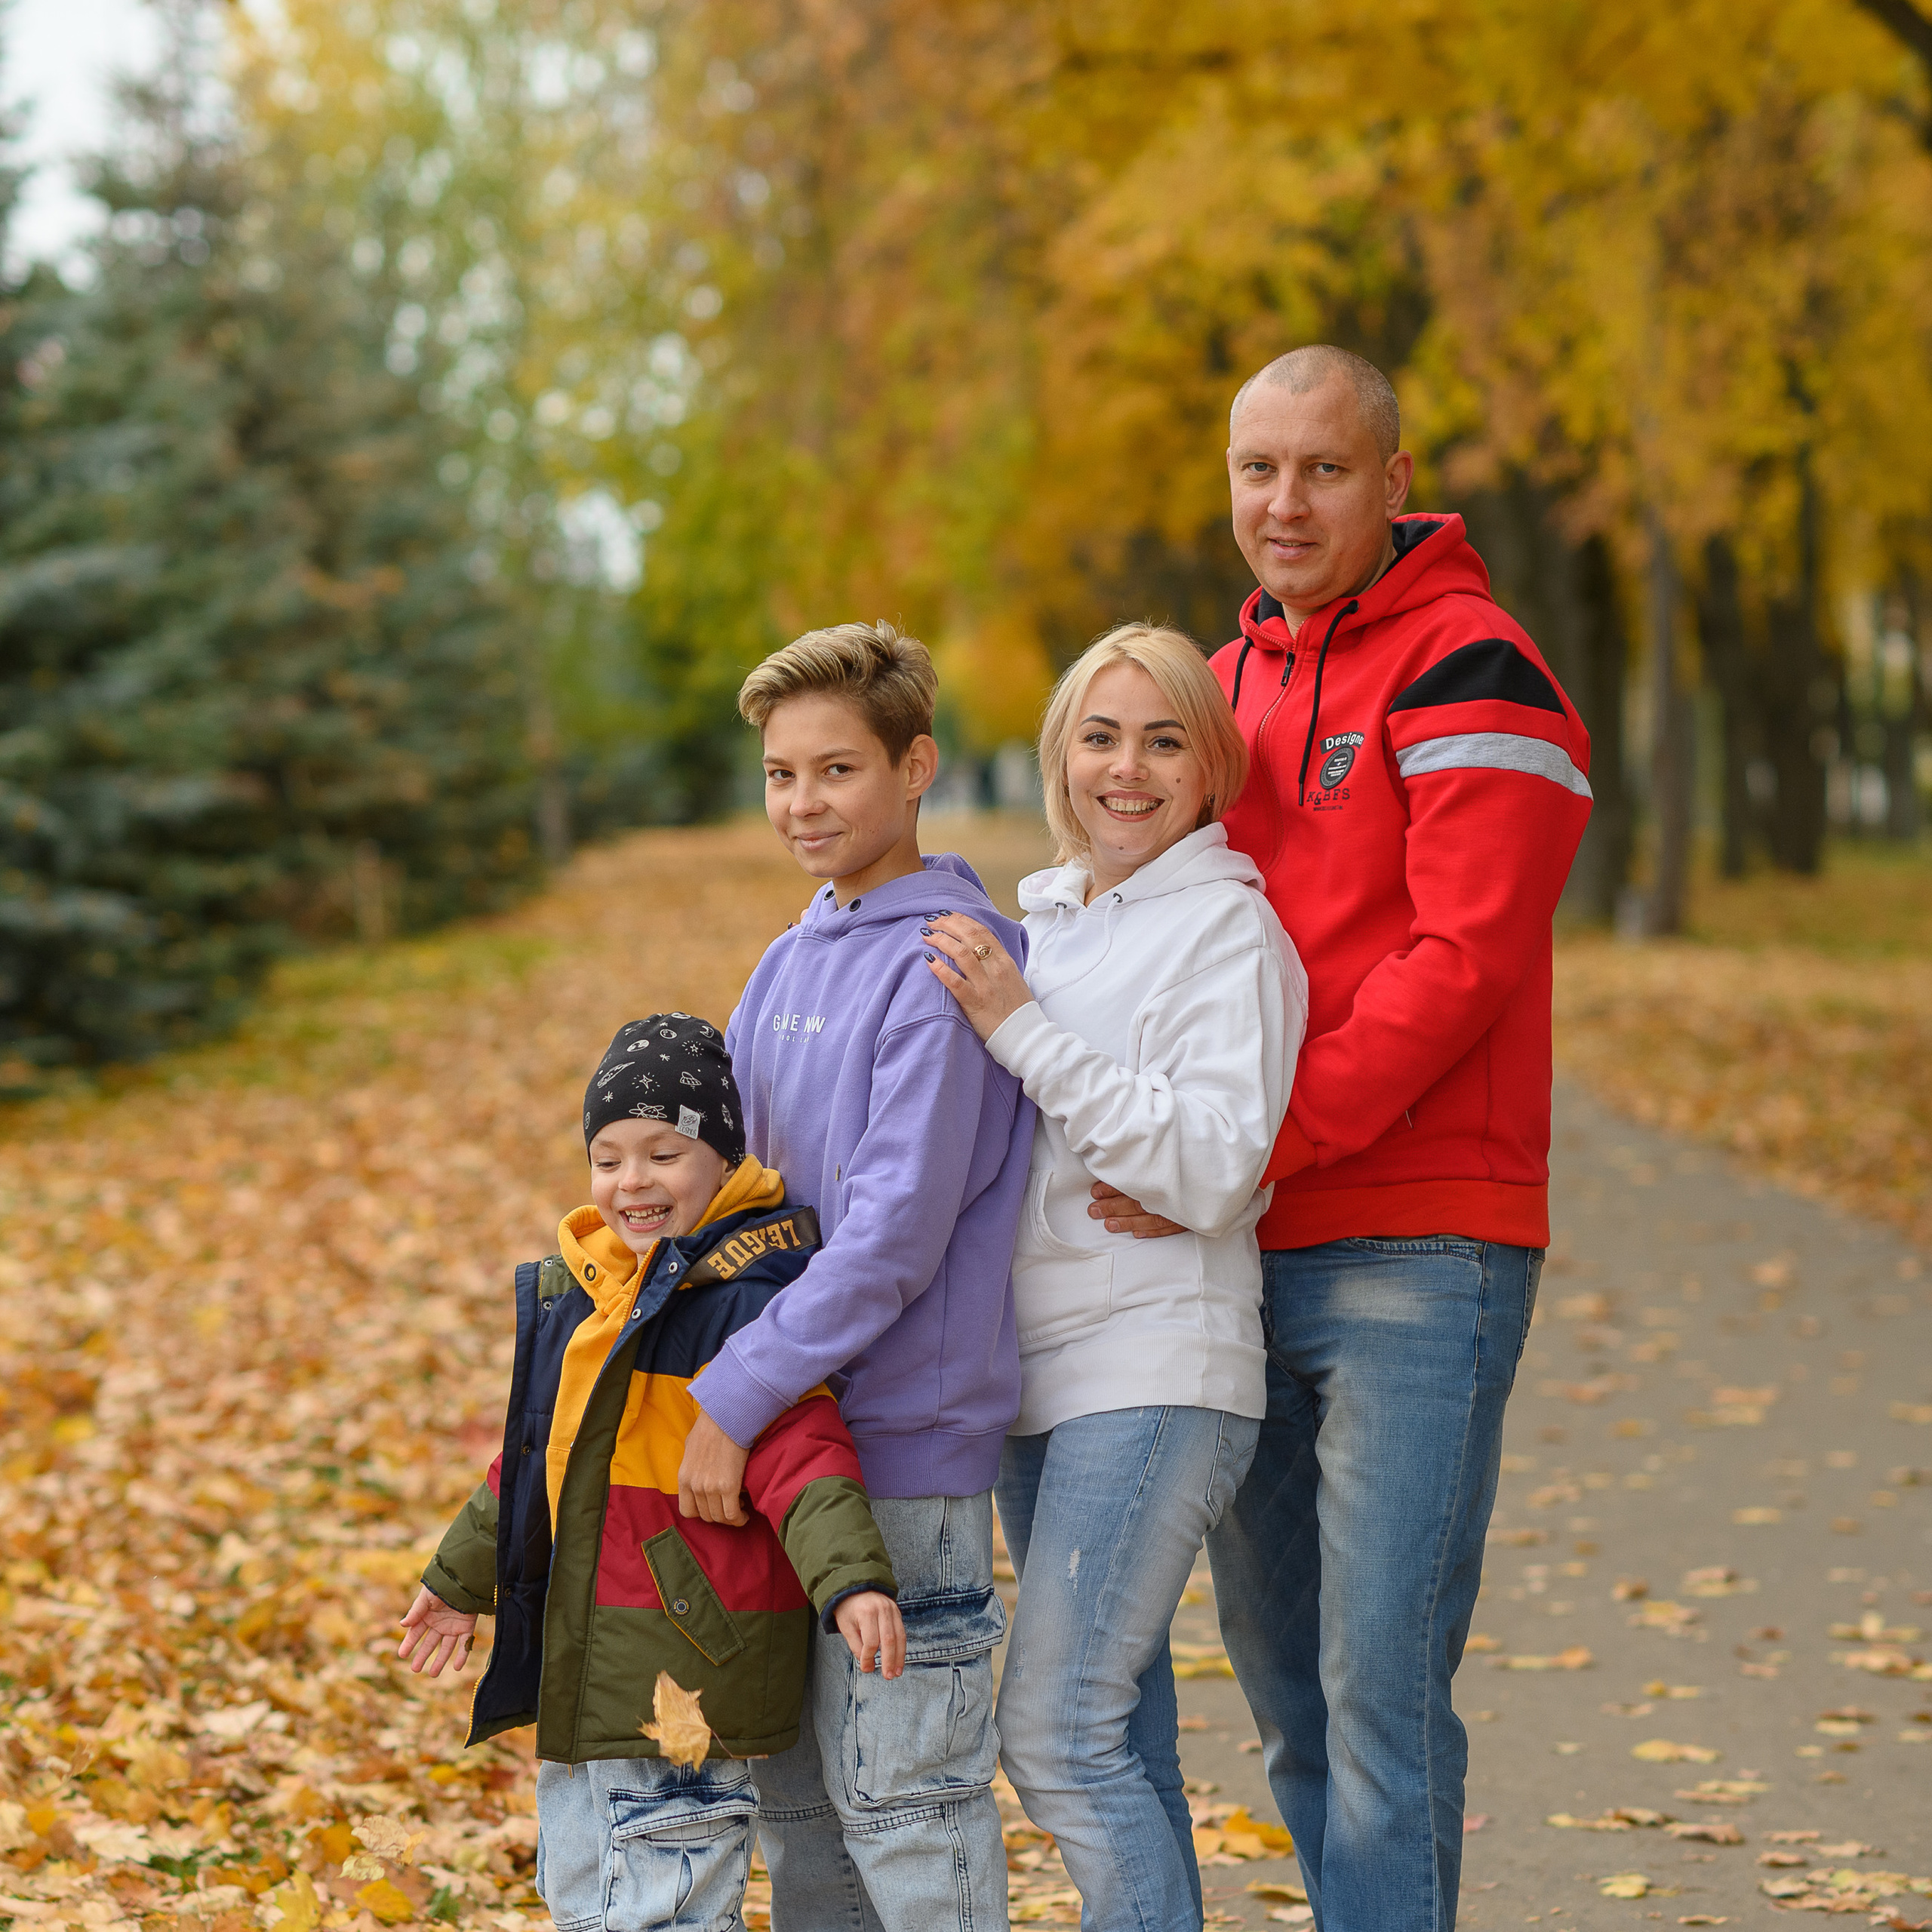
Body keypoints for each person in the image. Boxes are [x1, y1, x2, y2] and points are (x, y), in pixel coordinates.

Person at [1092, 347, 1594, 1932]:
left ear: (1392, 481)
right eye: (1255, 468)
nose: (1282, 502)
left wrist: (1253, 1141)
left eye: (1320, 469)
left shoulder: (1475, 672)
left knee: (1379, 1699)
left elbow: (1458, 966)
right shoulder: (1219, 686)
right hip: (1241, 1254)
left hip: (1418, 1244)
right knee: (1293, 1700)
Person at [924, 622, 1306, 1932]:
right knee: (1122, 1741)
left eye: (1163, 741)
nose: (1126, 769)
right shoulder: (1058, 926)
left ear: (1211, 767)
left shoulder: (1226, 931)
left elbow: (1208, 1167)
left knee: (1060, 1734)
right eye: (1100, 737)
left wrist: (1019, 1031)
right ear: (1059, 756)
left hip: (1154, 1370)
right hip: (1040, 1370)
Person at [675, 623, 1035, 1932]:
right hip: (785, 1447)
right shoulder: (784, 961)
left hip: (901, 1456)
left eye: (835, 770)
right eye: (780, 774)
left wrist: (730, 1393)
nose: (803, 803)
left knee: (911, 1807)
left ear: (915, 764)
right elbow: (738, 1206)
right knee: (799, 1804)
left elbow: (892, 1238)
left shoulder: (945, 961)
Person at [395, 1015, 905, 1932]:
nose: (632, 1181)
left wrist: (852, 1581)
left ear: (720, 1161)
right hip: (586, 1667)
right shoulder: (595, 1296)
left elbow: (807, 1456)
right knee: (586, 1893)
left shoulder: (744, 1305)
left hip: (682, 1681)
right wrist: (458, 1579)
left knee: (666, 1902)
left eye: (665, 1153)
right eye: (608, 1156)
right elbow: (535, 1461)